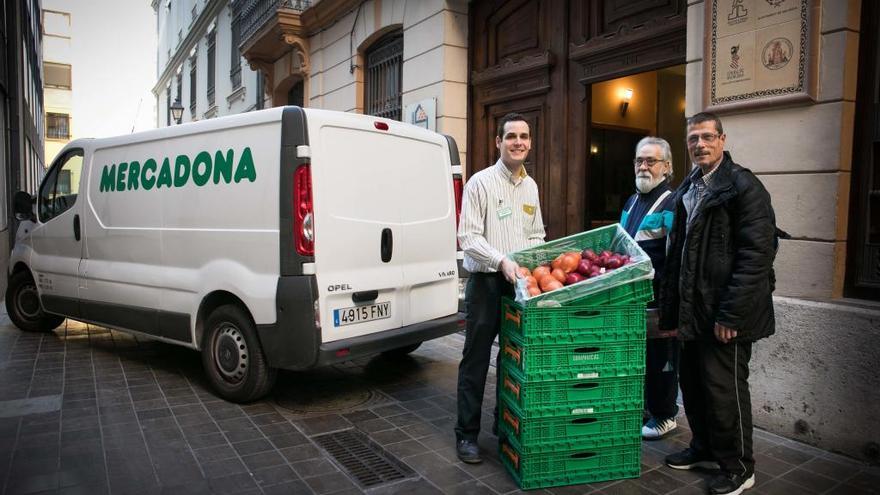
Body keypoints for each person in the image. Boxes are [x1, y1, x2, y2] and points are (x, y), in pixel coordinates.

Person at [659, 112, 778, 495]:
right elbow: (678, 254)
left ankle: (739, 467)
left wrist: (731, 315)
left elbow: (756, 257)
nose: (700, 145)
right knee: (692, 386)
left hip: (725, 315)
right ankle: (704, 448)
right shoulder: (688, 188)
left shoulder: (744, 187)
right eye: (693, 138)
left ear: (722, 140)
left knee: (724, 389)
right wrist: (673, 312)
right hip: (694, 313)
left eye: (707, 137)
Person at [455, 113, 546, 464]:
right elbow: (468, 238)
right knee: (475, 360)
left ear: (530, 142)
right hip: (487, 283)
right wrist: (502, 262)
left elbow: (536, 233)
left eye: (524, 136)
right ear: (498, 142)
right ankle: (466, 435)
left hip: (519, 283)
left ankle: (503, 425)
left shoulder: (531, 186)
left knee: (513, 358)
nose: (518, 142)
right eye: (511, 136)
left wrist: (536, 265)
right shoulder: (480, 183)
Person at [619, 137, 680, 440]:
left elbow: (676, 255)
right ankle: (645, 408)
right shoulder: (632, 201)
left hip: (659, 299)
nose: (643, 166)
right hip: (633, 298)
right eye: (639, 160)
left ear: (666, 167)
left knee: (661, 359)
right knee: (640, 358)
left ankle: (665, 415)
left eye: (651, 161)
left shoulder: (673, 202)